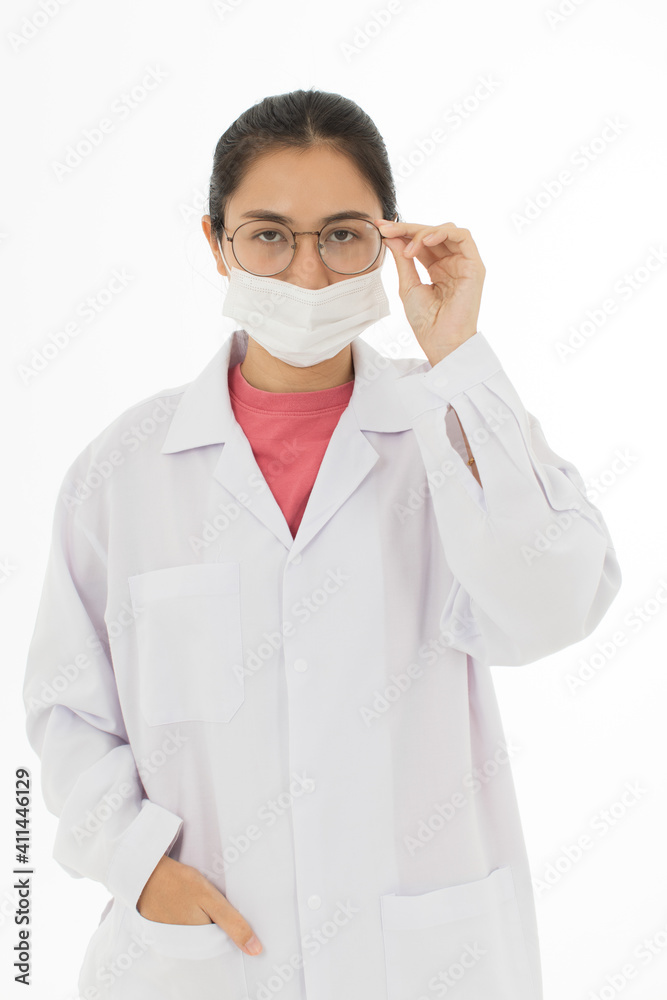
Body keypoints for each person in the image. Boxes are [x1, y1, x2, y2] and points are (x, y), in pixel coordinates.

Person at [23, 88, 622, 1000]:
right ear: (214, 242)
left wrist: (457, 358)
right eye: (268, 234)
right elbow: (66, 712)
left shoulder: (450, 432)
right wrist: (136, 862)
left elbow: (552, 608)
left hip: (422, 956)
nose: (307, 273)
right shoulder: (124, 470)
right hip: (201, 960)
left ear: (389, 241)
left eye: (342, 235)